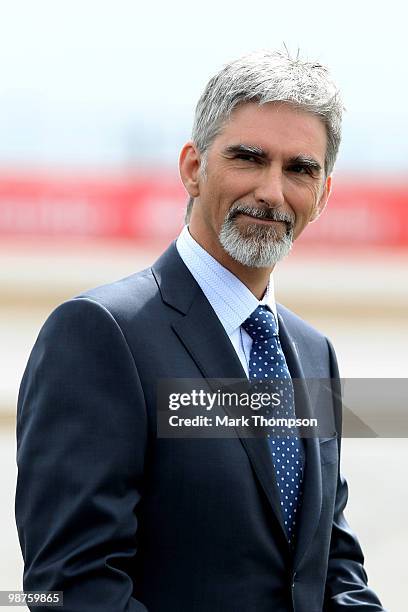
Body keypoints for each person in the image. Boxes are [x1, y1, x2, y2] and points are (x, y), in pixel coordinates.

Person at [16, 50, 385, 611]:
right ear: (192, 167)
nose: (271, 191)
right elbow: (71, 587)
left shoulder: (314, 354)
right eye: (249, 158)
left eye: (299, 169)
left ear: (325, 194)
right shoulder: (100, 334)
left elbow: (330, 565)